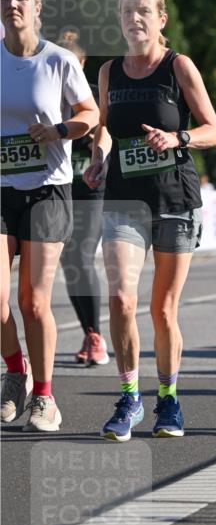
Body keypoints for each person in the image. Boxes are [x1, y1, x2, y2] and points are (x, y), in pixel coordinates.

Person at [84, 0, 216, 440]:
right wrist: (98, 155)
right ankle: (129, 396)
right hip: (124, 198)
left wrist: (178, 137)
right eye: (126, 11)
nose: (134, 19)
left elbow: (214, 131)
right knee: (122, 298)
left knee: (162, 310)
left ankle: (168, 399)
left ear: (161, 20)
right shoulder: (109, 72)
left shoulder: (178, 66)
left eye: (143, 11)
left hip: (175, 199)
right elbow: (104, 129)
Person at [1, 0, 99, 431]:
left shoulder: (59, 61)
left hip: (47, 188)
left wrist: (58, 130)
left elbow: (90, 114)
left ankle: (45, 396)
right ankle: (16, 374)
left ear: (37, 7)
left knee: (33, 302)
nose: (12, 4)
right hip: (0, 190)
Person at [56, 30, 109, 365]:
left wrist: (97, 156)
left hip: (91, 187)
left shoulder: (91, 95)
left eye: (71, 66)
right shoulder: (43, 97)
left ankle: (95, 337)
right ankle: (89, 331)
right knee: (69, 263)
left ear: (82, 64)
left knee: (81, 255)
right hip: (55, 188)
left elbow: (105, 125)